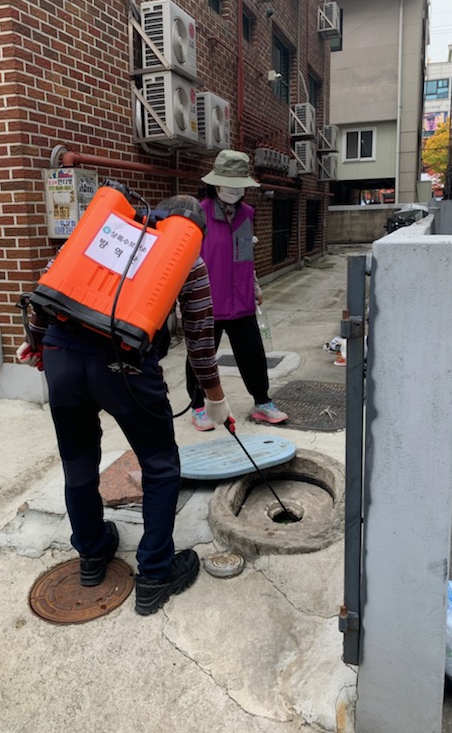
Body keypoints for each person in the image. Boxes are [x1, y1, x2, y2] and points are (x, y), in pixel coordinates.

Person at [17, 194, 233, 616]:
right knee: (160, 464)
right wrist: (216, 399)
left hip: (62, 357)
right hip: (124, 368)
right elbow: (201, 341)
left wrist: (37, 341)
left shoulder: (105, 230)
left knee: (77, 459)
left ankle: (93, 553)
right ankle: (155, 573)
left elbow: (48, 288)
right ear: (190, 232)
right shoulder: (186, 259)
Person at [185, 150, 288, 431]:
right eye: (227, 183)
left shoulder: (247, 215)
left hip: (240, 300)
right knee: (201, 355)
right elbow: (186, 257)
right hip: (206, 301)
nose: (233, 190)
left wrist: (254, 286)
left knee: (253, 352)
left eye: (238, 185)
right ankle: (197, 407)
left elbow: (245, 256)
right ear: (215, 183)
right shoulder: (199, 213)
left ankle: (262, 403)